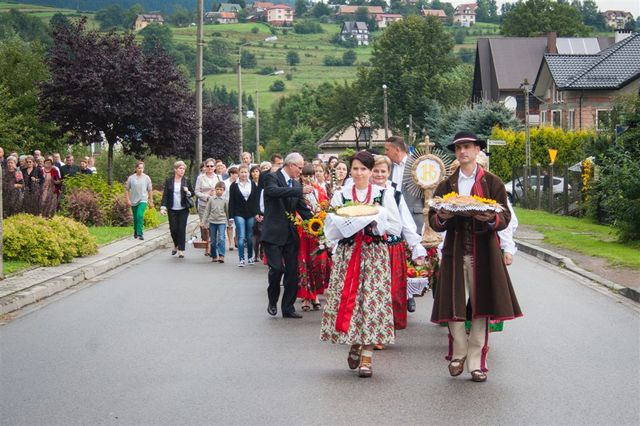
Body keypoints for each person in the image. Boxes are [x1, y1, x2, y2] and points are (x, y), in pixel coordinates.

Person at [429, 132, 522, 383]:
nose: (462, 152)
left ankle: (476, 360)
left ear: (478, 150)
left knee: (482, 305)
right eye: (458, 148)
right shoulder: (447, 185)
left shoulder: (492, 182)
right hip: (455, 251)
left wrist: (490, 218)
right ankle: (458, 352)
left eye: (467, 147)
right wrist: (444, 216)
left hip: (483, 251)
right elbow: (434, 219)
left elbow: (504, 218)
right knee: (453, 302)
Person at [320, 150, 402, 378]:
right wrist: (346, 225)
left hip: (374, 253)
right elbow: (331, 229)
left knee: (372, 302)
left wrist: (378, 220)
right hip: (349, 253)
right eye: (355, 168)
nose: (359, 173)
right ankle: (355, 342)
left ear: (370, 171)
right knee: (352, 301)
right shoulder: (341, 195)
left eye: (363, 169)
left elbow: (396, 226)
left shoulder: (382, 195)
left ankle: (367, 357)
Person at [371, 155, 426, 335]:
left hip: (393, 248)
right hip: (371, 247)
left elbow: (406, 222)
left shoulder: (395, 193)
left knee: (393, 291)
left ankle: (388, 328)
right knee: (374, 292)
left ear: (389, 173)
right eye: (376, 171)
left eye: (383, 171)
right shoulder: (365, 193)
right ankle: (375, 330)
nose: (379, 175)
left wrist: (416, 246)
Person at [262, 152, 314, 318]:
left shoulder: (296, 185)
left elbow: (302, 209)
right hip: (273, 232)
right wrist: (297, 191)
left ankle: (288, 307)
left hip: (290, 234)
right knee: (277, 269)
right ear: (290, 165)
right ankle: (272, 300)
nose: (300, 171)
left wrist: (318, 224)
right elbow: (274, 191)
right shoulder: (272, 177)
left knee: (292, 272)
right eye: (299, 168)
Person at [384, 136, 426, 313]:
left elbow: (427, 191)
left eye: (387, 149)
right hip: (394, 219)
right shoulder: (389, 168)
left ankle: (410, 296)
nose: (386, 153)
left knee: (411, 258)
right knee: (396, 258)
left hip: (414, 217)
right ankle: (399, 296)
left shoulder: (417, 166)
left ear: (397, 149)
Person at [297, 164, 331, 312]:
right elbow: (294, 210)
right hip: (303, 232)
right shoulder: (298, 192)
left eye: (311, 176)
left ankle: (315, 294)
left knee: (318, 263)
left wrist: (321, 213)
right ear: (301, 177)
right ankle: (306, 296)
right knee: (304, 263)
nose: (309, 179)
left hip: (317, 232)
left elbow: (326, 208)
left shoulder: (320, 190)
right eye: (306, 176)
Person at [160, 161, 194, 259]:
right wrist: (163, 207)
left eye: (183, 169)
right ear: (175, 169)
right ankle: (176, 244)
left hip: (183, 208)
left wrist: (187, 192)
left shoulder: (186, 180)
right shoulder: (169, 181)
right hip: (172, 209)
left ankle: (181, 250)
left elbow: (192, 193)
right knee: (173, 229)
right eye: (180, 168)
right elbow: (165, 194)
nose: (182, 170)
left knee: (181, 229)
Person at [228, 165, 260, 266]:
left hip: (251, 213)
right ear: (238, 173)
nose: (244, 174)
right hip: (239, 213)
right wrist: (231, 217)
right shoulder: (234, 185)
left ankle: (250, 257)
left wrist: (257, 213)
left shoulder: (253, 185)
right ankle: (241, 259)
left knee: (250, 237)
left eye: (246, 172)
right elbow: (231, 202)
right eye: (242, 172)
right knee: (241, 236)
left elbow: (256, 201)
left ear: (248, 173)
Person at [195, 158, 223, 257]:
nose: (210, 168)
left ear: (215, 167)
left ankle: (212, 246)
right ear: (205, 167)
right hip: (204, 205)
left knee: (213, 226)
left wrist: (216, 194)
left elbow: (223, 190)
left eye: (212, 166)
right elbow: (197, 192)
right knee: (205, 227)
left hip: (215, 205)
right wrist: (207, 196)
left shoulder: (219, 177)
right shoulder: (200, 178)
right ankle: (207, 245)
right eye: (208, 166)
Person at [126, 161, 154, 240]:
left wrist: (151, 201)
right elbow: (127, 190)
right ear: (136, 168)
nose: (141, 169)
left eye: (142, 168)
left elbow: (150, 190)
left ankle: (140, 233)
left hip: (143, 199)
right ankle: (135, 230)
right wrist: (128, 199)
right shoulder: (131, 178)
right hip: (133, 200)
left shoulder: (146, 178)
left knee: (140, 215)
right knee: (135, 217)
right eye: (139, 168)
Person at [203, 181, 229, 263]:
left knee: (221, 238)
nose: (219, 191)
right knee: (213, 240)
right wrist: (203, 221)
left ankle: (221, 255)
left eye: (221, 189)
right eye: (217, 189)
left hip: (222, 221)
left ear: (223, 190)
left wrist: (229, 221)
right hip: (212, 221)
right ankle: (214, 255)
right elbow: (207, 211)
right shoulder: (211, 199)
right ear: (215, 190)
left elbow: (227, 211)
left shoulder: (225, 200)